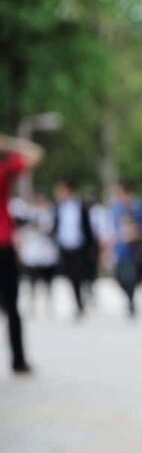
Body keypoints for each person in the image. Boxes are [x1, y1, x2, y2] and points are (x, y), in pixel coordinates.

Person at [0, 134, 43, 373]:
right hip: (3, 244)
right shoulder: (4, 169)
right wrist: (10, 143)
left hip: (4, 242)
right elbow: (36, 154)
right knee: (12, 306)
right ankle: (18, 360)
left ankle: (18, 358)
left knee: (12, 307)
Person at [53, 179, 95, 319]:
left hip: (80, 246)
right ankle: (78, 303)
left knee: (82, 273)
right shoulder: (58, 207)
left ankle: (86, 293)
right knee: (71, 276)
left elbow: (88, 228)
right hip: (66, 246)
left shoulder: (80, 207)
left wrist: (91, 247)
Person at [109, 181, 142, 317]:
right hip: (120, 248)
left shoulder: (138, 206)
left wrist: (135, 232)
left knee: (130, 276)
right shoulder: (115, 208)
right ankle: (129, 298)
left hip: (134, 249)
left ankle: (131, 302)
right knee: (118, 276)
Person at [17, 194, 58, 314]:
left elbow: (52, 230)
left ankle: (48, 303)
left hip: (46, 253)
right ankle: (32, 304)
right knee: (32, 281)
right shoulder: (29, 214)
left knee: (47, 281)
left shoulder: (50, 214)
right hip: (32, 254)